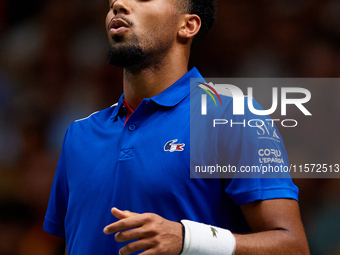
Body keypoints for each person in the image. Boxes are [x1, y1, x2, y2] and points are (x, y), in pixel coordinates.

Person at [44, 0, 310, 254]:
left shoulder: (232, 117)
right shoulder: (78, 135)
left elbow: (292, 246)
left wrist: (189, 239)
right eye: (113, 0)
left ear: (188, 26)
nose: (118, 5)